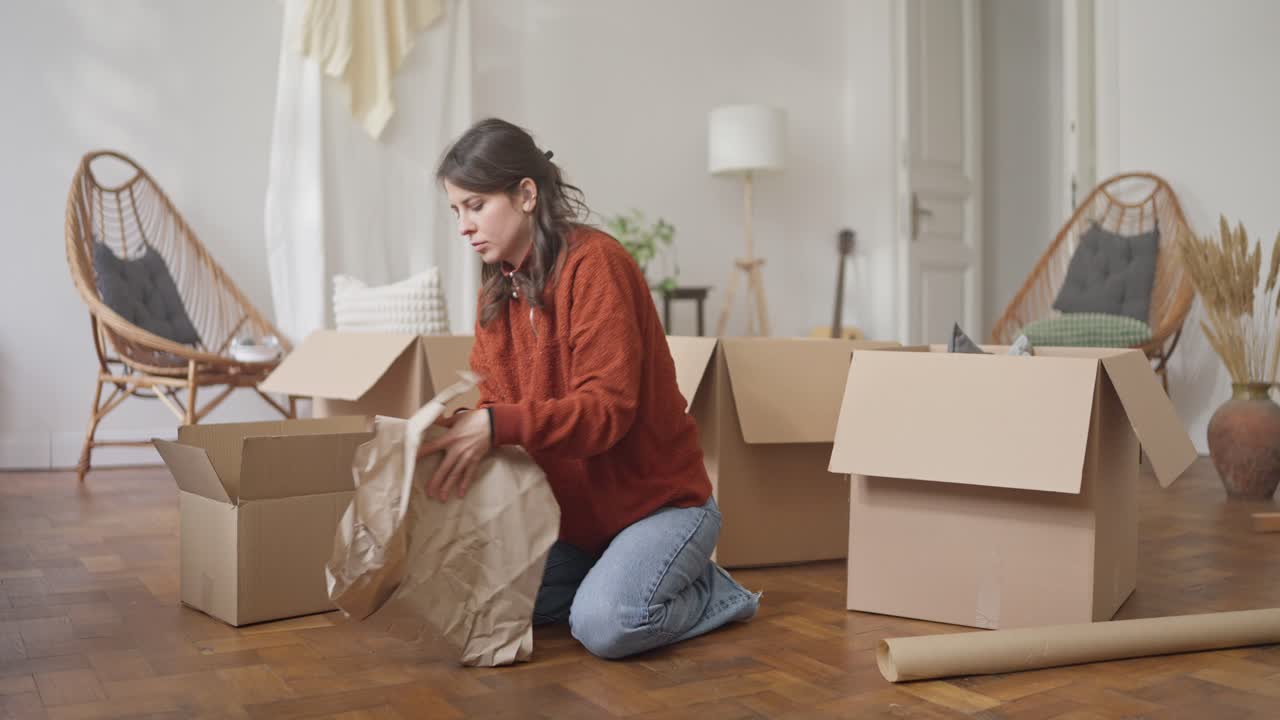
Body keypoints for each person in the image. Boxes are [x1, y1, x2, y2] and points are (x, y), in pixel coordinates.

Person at [416, 118, 759, 660]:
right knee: (482, 603)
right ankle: (616, 579)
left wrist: (497, 424)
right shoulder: (495, 295)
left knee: (606, 626)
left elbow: (606, 413)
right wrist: (460, 426)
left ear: (526, 194)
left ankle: (716, 593)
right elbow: (496, 409)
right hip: (577, 526)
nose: (463, 225)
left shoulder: (597, 265)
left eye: (476, 206)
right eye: (456, 210)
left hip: (661, 508)